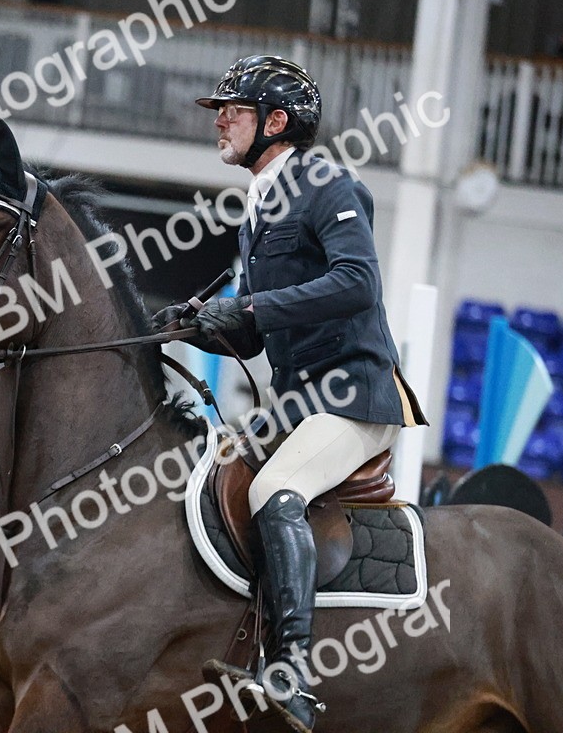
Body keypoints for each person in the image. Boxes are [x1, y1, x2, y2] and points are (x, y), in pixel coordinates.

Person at [153, 55, 426, 732]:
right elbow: (252, 338)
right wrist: (192, 326)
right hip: (300, 401)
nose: (219, 120)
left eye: (234, 111)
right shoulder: (258, 207)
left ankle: (291, 671)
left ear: (276, 122)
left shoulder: (325, 184)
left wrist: (249, 310)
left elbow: (358, 284)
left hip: (355, 397)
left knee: (275, 494)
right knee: (206, 477)